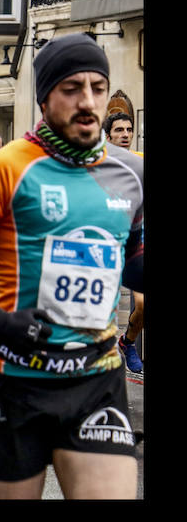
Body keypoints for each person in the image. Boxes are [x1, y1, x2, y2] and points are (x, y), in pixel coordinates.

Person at [0, 32, 143, 499]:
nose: (88, 101)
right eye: (72, 89)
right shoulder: (4, 167)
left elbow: (135, 261)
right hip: (16, 380)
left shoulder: (132, 172)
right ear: (45, 97)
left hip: (96, 379)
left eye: (98, 88)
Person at [101, 110, 144, 373]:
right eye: (119, 130)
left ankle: (127, 342)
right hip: (104, 247)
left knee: (142, 304)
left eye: (129, 130)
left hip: (136, 245)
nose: (125, 135)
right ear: (108, 136)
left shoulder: (140, 162)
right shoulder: (98, 164)